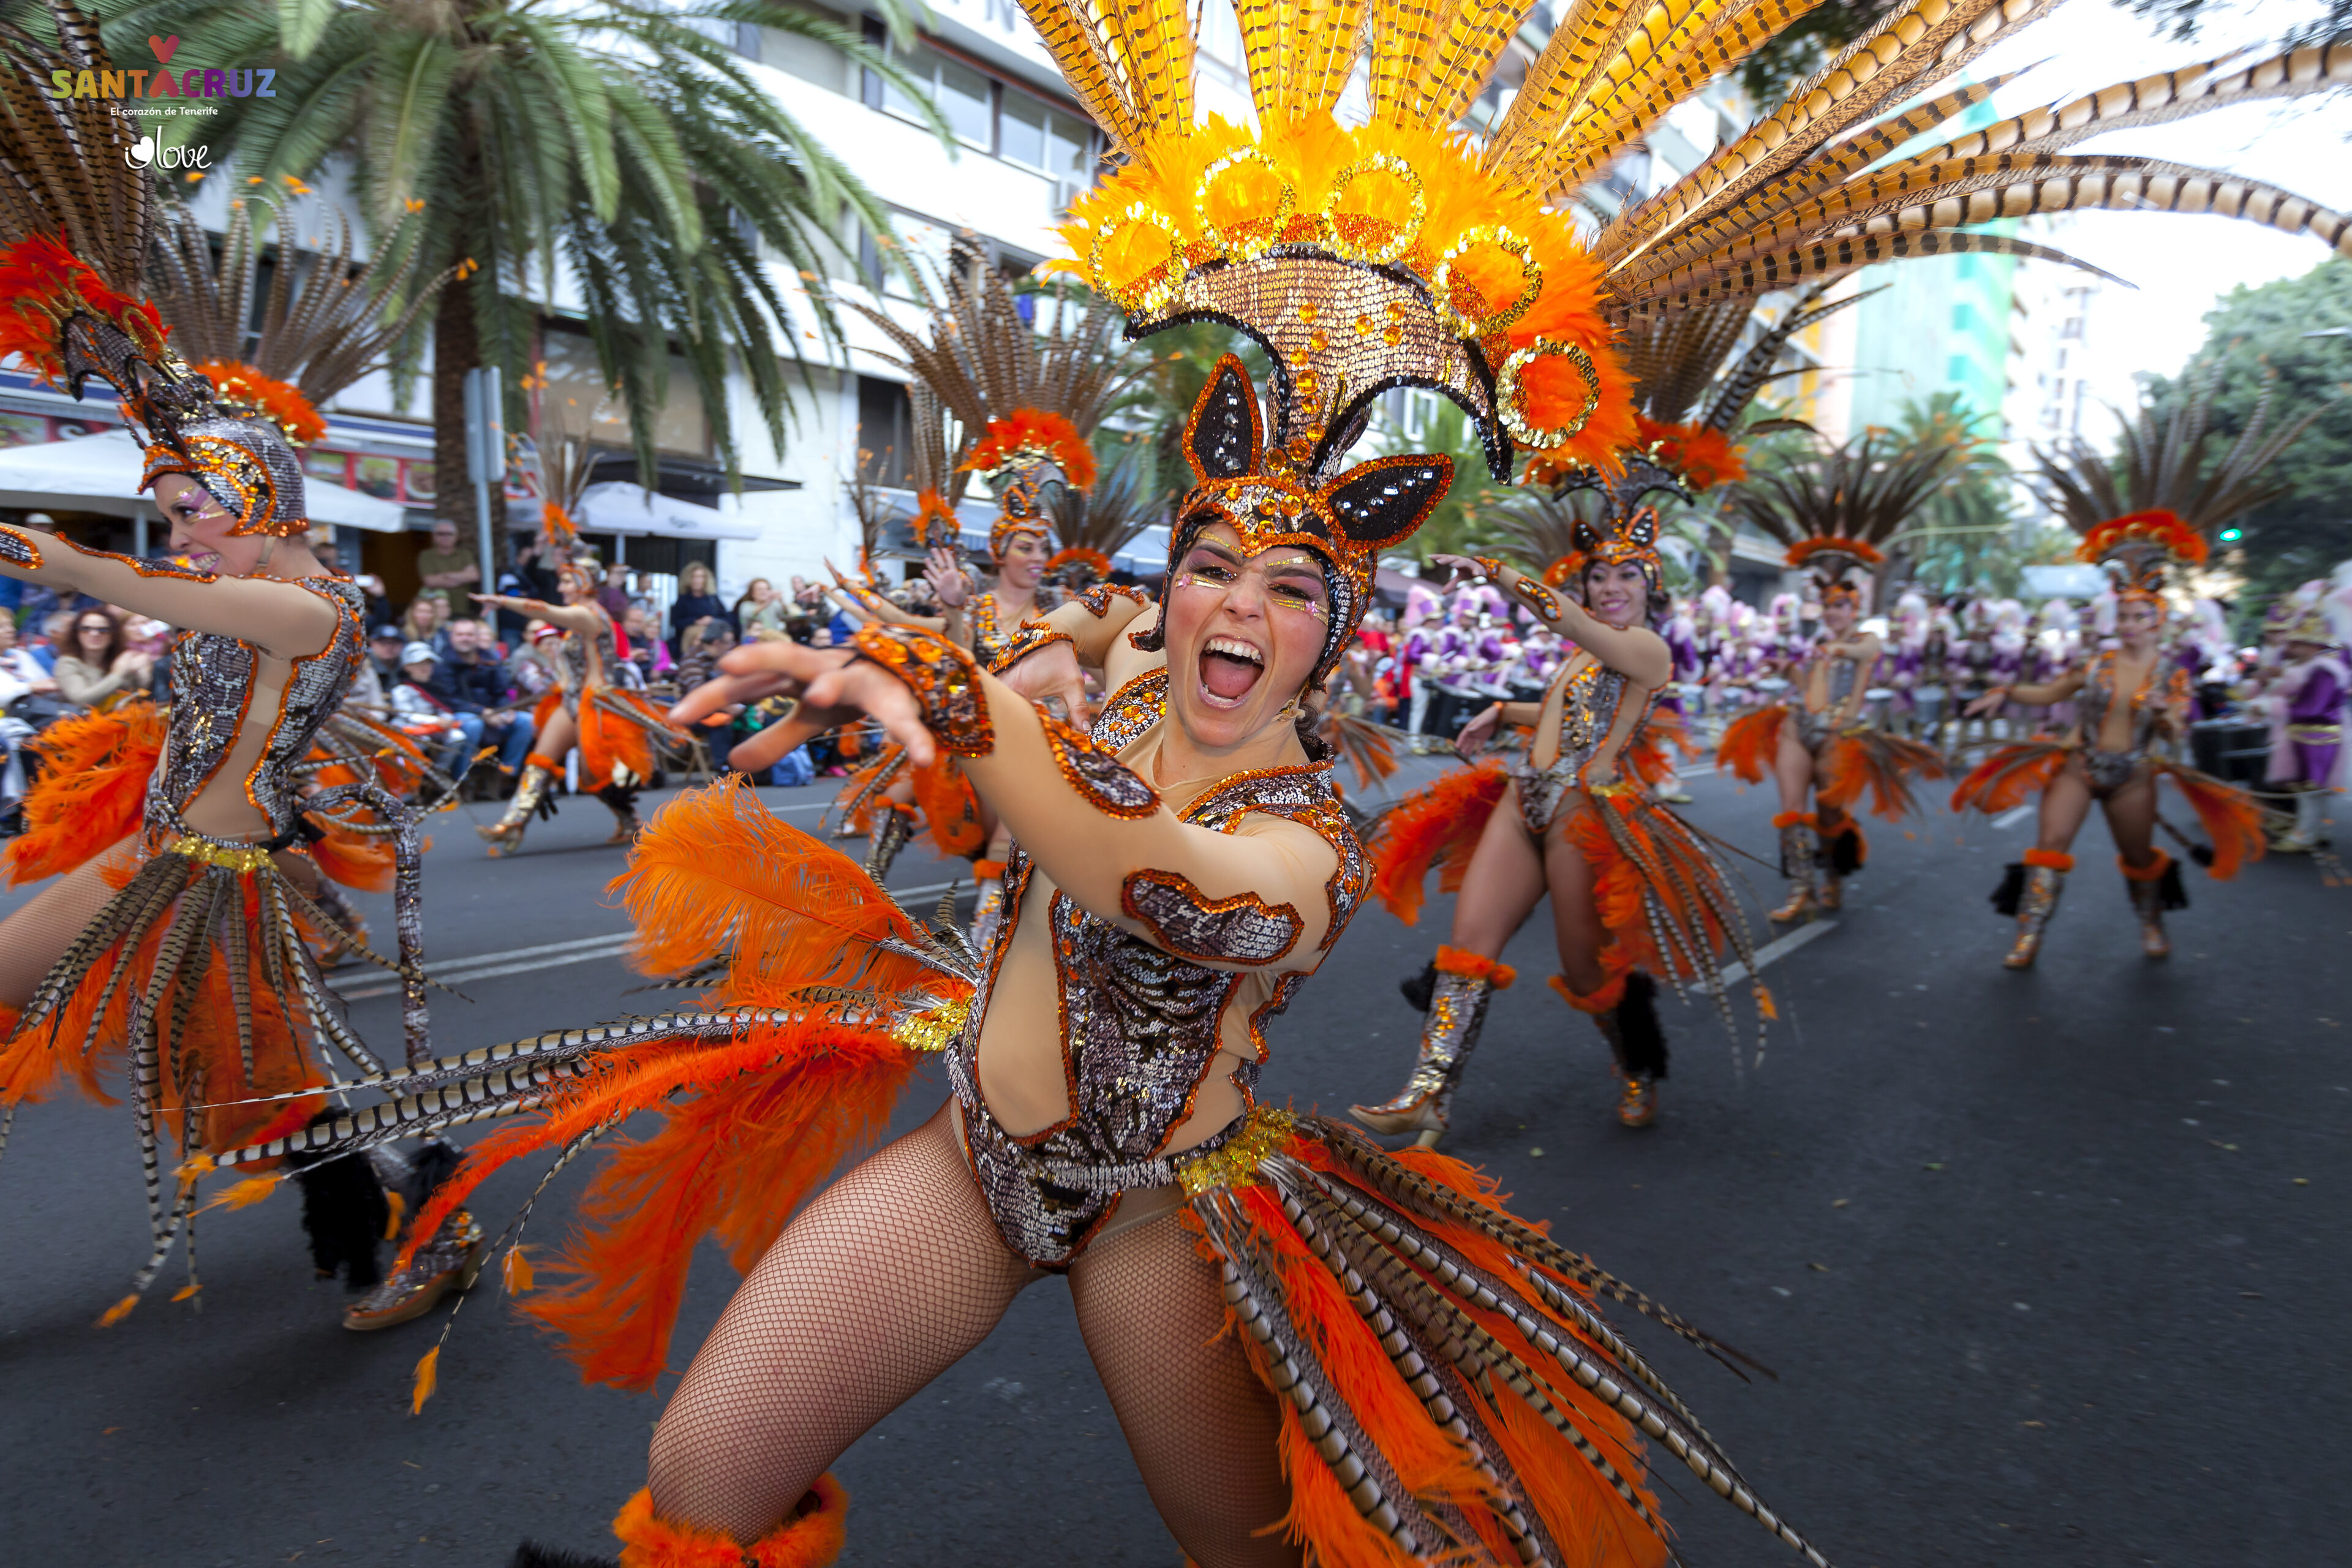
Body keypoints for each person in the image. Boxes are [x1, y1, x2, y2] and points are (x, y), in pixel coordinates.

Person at [0, 194, 463, 1326]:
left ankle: (438, 1208)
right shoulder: (238, 583)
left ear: (260, 495)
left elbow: (120, 583)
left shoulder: (310, 608)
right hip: (160, 860)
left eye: (195, 508)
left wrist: (59, 551)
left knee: (271, 1099)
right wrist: (132, 367)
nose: (179, 536)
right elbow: (181, 541)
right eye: (167, 514)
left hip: (216, 886)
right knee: (259, 1095)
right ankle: (412, 1196)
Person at [1352, 516, 1769, 1137]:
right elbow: (1555, 711)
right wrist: (1499, 710)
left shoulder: (1646, 649)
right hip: (1525, 800)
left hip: (1584, 815)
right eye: (1599, 575)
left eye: (1627, 574)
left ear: (1650, 587)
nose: (1610, 587)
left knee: (1586, 971)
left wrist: (1496, 573)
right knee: (1467, 946)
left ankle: (1638, 1063)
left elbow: (1566, 620)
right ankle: (1428, 1092)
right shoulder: (1585, 655)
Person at [1951, 516, 2266, 965]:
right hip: (2079, 766)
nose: (2130, 624)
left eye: (2141, 616)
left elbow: (2176, 732)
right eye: (2124, 616)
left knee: (2138, 858)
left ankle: (2151, 920)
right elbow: (2053, 692)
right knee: (2049, 847)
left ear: (2158, 621)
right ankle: (2029, 936)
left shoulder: (2170, 675)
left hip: (2132, 778)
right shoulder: (2098, 664)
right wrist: (2005, 692)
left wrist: (2163, 713)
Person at [472, 526, 688, 854]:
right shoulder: (579, 620)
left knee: (594, 776)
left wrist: (501, 601)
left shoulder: (589, 616)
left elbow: (545, 611)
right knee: (540, 760)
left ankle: (630, 819)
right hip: (571, 700)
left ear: (585, 585)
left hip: (597, 704)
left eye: (567, 582)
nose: (561, 588)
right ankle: (513, 823)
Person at [2251, 589, 2345, 858]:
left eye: (2297, 643)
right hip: (2309, 736)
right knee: (2313, 791)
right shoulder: (2311, 669)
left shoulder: (2323, 672)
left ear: (2314, 645)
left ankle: (2304, 835)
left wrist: (2272, 707)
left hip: (2316, 738)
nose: (2290, 648)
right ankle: (2317, 832)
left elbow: (2311, 708)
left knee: (2310, 791)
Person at [51, 606, 153, 713]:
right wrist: (118, 675)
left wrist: (140, 673)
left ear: (113, 635)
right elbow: (81, 700)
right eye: (86, 629)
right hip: (82, 723)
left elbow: (139, 693)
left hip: (123, 720)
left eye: (103, 630)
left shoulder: (121, 658)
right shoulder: (67, 663)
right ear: (76, 633)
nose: (94, 634)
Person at [668, 560, 732, 655]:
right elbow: (676, 622)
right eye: (694, 577)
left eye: (701, 577)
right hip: (691, 641)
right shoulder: (684, 600)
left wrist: (712, 620)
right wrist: (696, 622)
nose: (697, 580)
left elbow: (726, 617)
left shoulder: (713, 599)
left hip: (712, 639)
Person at [414, 518, 481, 595]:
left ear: (456, 536)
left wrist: (446, 575)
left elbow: (474, 576)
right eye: (441, 534)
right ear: (434, 536)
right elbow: (430, 581)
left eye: (449, 534)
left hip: (461, 604)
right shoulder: (427, 556)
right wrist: (462, 578)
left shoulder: (465, 554)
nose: (445, 537)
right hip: (437, 604)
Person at [400, 587, 455, 658]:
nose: (424, 616)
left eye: (429, 612)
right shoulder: (402, 635)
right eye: (420, 611)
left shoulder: (442, 634)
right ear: (412, 613)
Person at [734, 575, 789, 641]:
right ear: (752, 593)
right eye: (760, 589)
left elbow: (787, 615)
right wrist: (769, 601)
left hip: (772, 642)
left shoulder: (774, 605)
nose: (764, 592)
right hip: (753, 644)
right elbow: (749, 614)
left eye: (767, 589)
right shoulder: (746, 605)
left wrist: (781, 601)